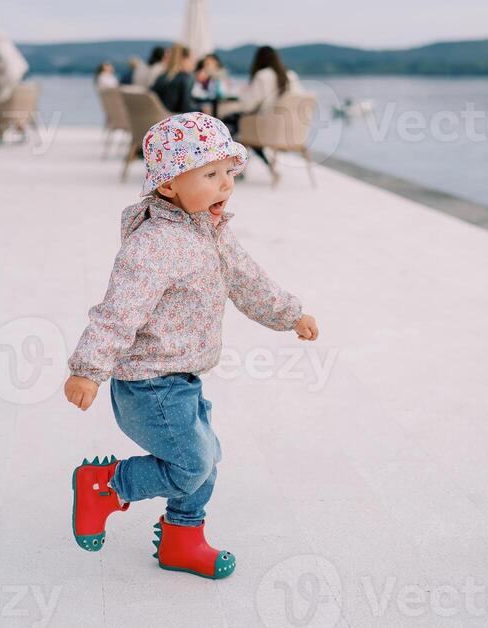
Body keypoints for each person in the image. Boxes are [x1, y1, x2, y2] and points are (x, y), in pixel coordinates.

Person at [64, 111, 319, 578]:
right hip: (149, 385)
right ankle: (105, 485)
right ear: (167, 187)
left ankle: (182, 539)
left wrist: (289, 314)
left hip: (183, 380)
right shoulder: (155, 244)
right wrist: (88, 367)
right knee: (190, 464)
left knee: (207, 461)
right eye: (209, 174)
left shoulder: (210, 229)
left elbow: (248, 281)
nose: (225, 185)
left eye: (228, 172)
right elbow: (119, 310)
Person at [222, 45, 302, 174]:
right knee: (246, 128)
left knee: (230, 123)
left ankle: (230, 166)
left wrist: (243, 96)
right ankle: (267, 166)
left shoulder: (263, 75)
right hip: (291, 131)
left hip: (268, 129)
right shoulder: (291, 75)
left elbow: (249, 105)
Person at [151, 43, 197, 113]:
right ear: (184, 59)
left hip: (158, 118)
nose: (194, 63)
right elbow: (186, 108)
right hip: (174, 120)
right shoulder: (186, 78)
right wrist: (202, 109)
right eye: (191, 59)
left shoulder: (161, 77)